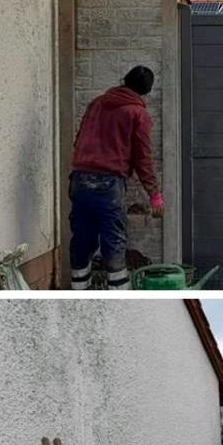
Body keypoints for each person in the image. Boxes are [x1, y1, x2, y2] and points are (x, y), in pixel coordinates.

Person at [68, 66, 164, 290]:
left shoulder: (96, 104)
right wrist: (155, 196)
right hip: (108, 183)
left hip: (80, 179)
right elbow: (143, 158)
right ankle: (119, 296)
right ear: (146, 90)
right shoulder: (136, 113)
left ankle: (79, 292)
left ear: (125, 80)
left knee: (82, 238)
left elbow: (79, 138)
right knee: (113, 240)